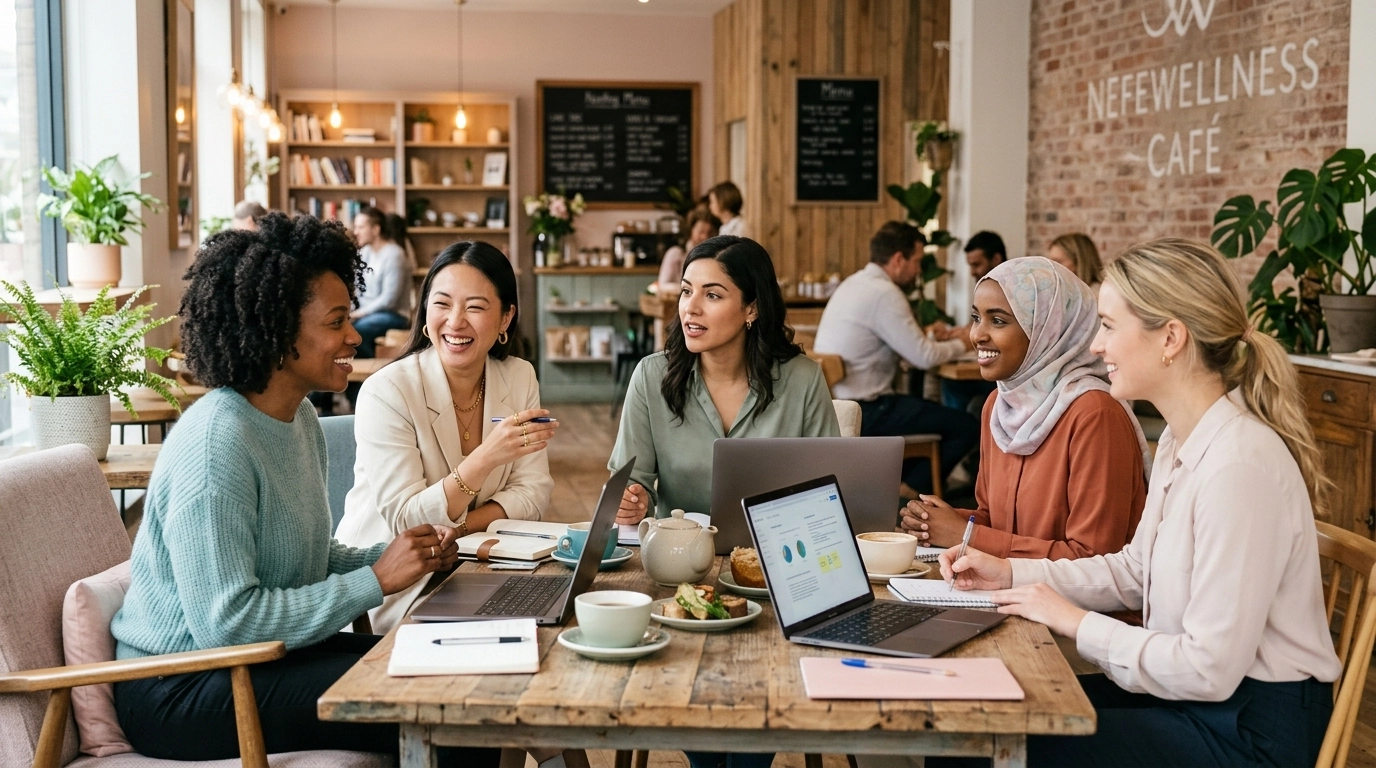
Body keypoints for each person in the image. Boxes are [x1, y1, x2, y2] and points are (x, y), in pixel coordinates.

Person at [938, 238, 1341, 768]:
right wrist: (1010, 574)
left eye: (1108, 326)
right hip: (1191, 701)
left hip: (1246, 731)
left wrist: (1073, 621)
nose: (1096, 346)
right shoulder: (1181, 439)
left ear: (1170, 338)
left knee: (978, 747)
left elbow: (1208, 667)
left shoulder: (1240, 465)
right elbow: (1136, 570)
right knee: (965, 720)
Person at [109, 213, 491, 767]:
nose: (353, 336)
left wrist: (403, 558)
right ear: (278, 331)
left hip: (252, 661)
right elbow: (226, 622)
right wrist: (375, 580)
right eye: (337, 322)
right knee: (449, 706)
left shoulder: (299, 419)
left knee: (466, 675)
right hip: (181, 686)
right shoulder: (217, 443)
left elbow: (307, 558)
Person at [336, 241, 557, 635]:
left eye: (475, 307)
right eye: (442, 304)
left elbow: (534, 492)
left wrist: (457, 529)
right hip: (394, 584)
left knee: (556, 617)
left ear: (506, 318)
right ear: (424, 313)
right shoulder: (388, 390)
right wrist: (485, 459)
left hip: (472, 565)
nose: (455, 322)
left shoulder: (518, 376)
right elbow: (406, 520)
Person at [901, 257, 1149, 560]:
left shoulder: (1095, 413)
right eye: (977, 317)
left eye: (999, 320)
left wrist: (967, 535)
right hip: (1011, 591)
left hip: (1075, 605)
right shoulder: (998, 405)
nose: (977, 335)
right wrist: (940, 522)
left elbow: (1094, 560)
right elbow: (997, 520)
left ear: (1049, 330)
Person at [610, 235, 839, 523]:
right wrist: (632, 501)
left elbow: (828, 490)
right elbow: (630, 482)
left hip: (776, 557)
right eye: (686, 291)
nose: (691, 308)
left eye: (712, 295)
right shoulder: (650, 376)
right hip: (678, 556)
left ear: (751, 308)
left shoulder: (804, 379)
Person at [812, 221, 978, 496]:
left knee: (928, 411)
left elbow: (899, 345)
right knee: (966, 426)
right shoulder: (885, 293)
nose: (919, 270)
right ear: (898, 260)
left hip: (840, 406)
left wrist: (927, 335)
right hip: (868, 411)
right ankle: (910, 488)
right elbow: (924, 357)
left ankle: (903, 484)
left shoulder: (855, 284)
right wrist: (964, 341)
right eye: (917, 261)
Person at [351, 206, 414, 359]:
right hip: (367, 313)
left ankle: (368, 377)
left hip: (394, 314)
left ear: (376, 229)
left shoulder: (394, 255)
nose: (355, 232)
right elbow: (357, 290)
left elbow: (389, 300)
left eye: (361, 227)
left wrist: (358, 314)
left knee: (357, 331)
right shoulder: (365, 253)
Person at [657, 206, 721, 293]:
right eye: (701, 231)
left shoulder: (717, 257)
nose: (705, 237)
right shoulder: (676, 253)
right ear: (691, 230)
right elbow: (663, 285)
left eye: (710, 232)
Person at [1047, 232, 1104, 297]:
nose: (1051, 267)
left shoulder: (1097, 295)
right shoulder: (1063, 292)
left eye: (1058, 262)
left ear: (1079, 262)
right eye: (1050, 262)